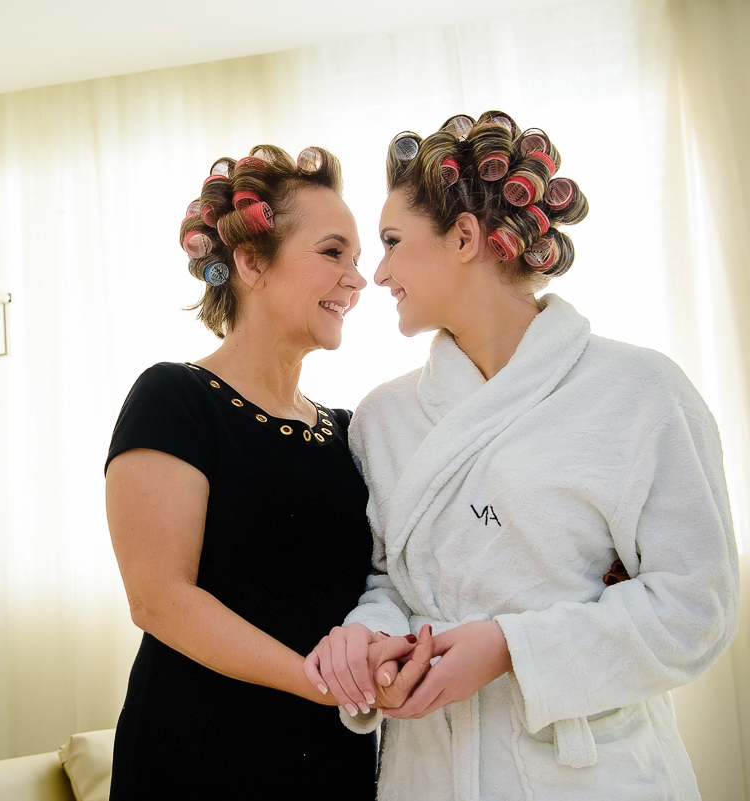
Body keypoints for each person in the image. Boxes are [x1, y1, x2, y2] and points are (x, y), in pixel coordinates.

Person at [304, 111, 740, 800]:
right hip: (430, 771)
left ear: (465, 237)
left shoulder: (639, 392)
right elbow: (391, 579)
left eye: (391, 241)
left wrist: (512, 649)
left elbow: (696, 607)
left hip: (592, 774)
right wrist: (369, 639)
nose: (378, 272)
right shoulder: (384, 418)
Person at [105, 145, 411, 798]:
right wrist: (323, 681)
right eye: (333, 252)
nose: (358, 280)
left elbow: (399, 567)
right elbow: (159, 597)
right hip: (200, 758)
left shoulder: (350, 429)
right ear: (250, 261)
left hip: (332, 757)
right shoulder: (174, 397)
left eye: (358, 260)